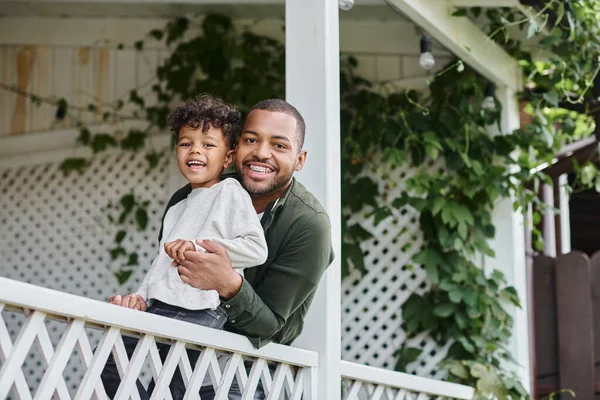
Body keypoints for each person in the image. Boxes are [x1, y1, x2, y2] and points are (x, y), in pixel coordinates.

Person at [113, 99, 335, 399]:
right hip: (182, 354)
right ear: (235, 149)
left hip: (249, 374)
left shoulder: (308, 224)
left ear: (299, 159)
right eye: (251, 140)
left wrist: (229, 285)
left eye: (280, 146)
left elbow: (272, 329)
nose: (262, 152)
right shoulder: (196, 193)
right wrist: (139, 301)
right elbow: (165, 270)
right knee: (111, 356)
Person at [101, 95, 268, 399]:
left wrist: (200, 248)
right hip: (160, 306)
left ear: (228, 158)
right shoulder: (178, 207)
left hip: (199, 308)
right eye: (185, 143)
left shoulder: (229, 192)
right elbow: (160, 265)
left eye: (208, 144)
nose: (195, 150)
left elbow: (257, 249)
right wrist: (139, 296)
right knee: (110, 364)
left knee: (173, 387)